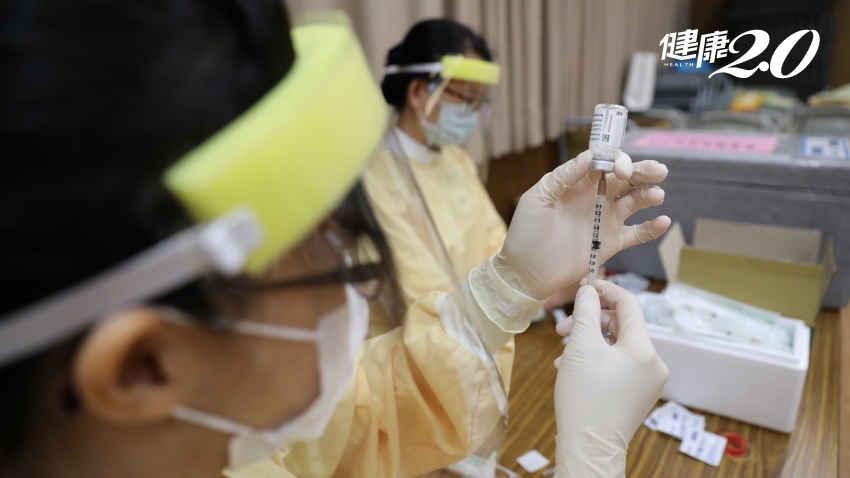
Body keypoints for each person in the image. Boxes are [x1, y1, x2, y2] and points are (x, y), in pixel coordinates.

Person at [0, 2, 670, 478]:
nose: (354, 273)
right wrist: (590, 460)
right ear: (141, 367)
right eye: (330, 251)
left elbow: (353, 419)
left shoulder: (222, 432)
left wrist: (506, 289)